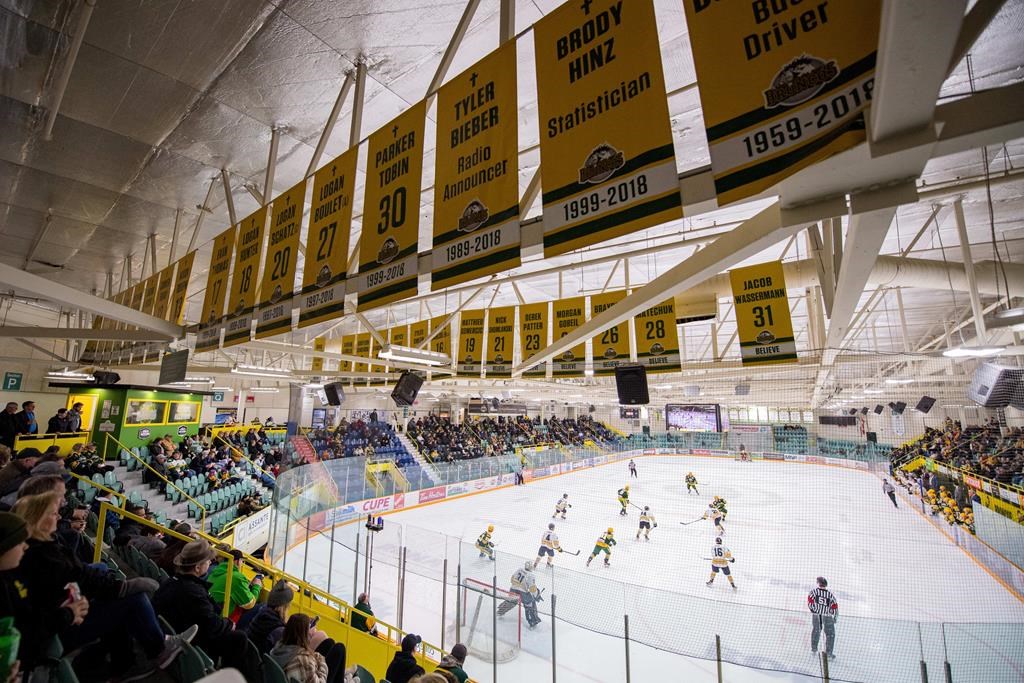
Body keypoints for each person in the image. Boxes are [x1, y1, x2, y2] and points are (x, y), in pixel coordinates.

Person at [13, 491, 192, 679]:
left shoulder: (41, 547)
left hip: (60, 619)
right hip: (58, 631)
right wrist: (71, 611)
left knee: (110, 588)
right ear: (38, 520)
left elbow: (72, 576)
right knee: (134, 599)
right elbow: (71, 576)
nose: (59, 516)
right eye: (53, 513)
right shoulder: (43, 555)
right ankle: (159, 651)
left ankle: (122, 663)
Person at [151, 539, 250, 673]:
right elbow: (211, 625)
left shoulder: (171, 582)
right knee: (240, 638)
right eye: (208, 560)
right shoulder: (192, 592)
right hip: (194, 641)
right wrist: (228, 624)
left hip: (181, 630)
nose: (210, 562)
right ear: (197, 567)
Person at [269, 614, 329, 683]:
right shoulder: (303, 660)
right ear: (303, 634)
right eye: (309, 628)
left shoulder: (278, 647)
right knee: (338, 650)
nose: (311, 632)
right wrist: (322, 661)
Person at [208, 548, 263, 617]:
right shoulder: (236, 576)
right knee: (262, 606)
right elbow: (249, 604)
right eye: (241, 561)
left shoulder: (215, 571)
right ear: (237, 562)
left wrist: (245, 585)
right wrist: (256, 586)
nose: (242, 564)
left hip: (210, 612)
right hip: (221, 619)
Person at [246, 580, 293, 653]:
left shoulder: (261, 611)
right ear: (285, 606)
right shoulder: (278, 628)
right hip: (255, 661)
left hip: (246, 654)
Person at [808, 576, 838, 660]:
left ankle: (814, 649)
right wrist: (834, 617)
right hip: (828, 616)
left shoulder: (813, 592)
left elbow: (810, 602)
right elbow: (835, 606)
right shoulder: (830, 594)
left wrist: (814, 611)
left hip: (817, 614)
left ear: (818, 583)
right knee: (830, 634)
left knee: (816, 630)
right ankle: (828, 653)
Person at [504, 561, 542, 628]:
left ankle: (501, 610)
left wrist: (518, 585)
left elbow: (512, 579)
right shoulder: (531, 575)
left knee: (511, 602)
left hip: (512, 590)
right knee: (530, 604)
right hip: (522, 593)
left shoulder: (520, 569)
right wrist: (536, 595)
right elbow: (532, 589)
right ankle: (533, 621)